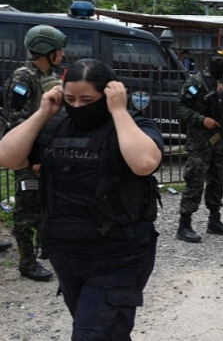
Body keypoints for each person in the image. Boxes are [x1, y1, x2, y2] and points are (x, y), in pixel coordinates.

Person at [0, 58, 163, 339]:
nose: (77, 107)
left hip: (120, 255)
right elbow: (8, 156)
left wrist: (119, 111)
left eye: (87, 99)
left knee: (90, 335)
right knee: (107, 333)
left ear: (109, 94)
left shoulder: (133, 125)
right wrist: (43, 113)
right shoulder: (56, 126)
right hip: (68, 254)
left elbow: (145, 163)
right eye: (70, 98)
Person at [2, 24, 67, 281]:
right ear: (44, 49)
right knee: (26, 211)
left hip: (47, 154)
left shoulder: (48, 74)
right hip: (28, 156)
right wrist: (35, 159)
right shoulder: (22, 79)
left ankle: (45, 249)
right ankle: (26, 263)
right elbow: (19, 123)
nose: (61, 53)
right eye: (57, 49)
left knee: (47, 204)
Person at [175, 46, 223, 243]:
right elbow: (180, 107)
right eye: (217, 62)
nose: (219, 66)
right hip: (200, 141)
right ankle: (184, 225)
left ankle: (214, 221)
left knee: (217, 181)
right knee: (195, 181)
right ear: (210, 61)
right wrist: (201, 119)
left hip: (220, 141)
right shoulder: (196, 82)